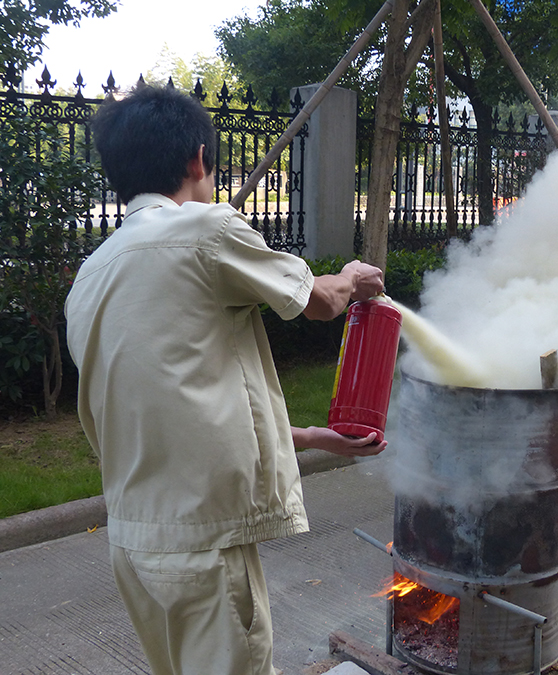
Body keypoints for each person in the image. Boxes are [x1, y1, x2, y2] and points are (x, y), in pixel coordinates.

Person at [65, 84, 386, 675]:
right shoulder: (204, 230)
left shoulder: (92, 275)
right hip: (204, 548)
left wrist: (312, 436)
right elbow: (317, 301)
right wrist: (351, 277)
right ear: (196, 159)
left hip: (133, 545)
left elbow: (183, 407)